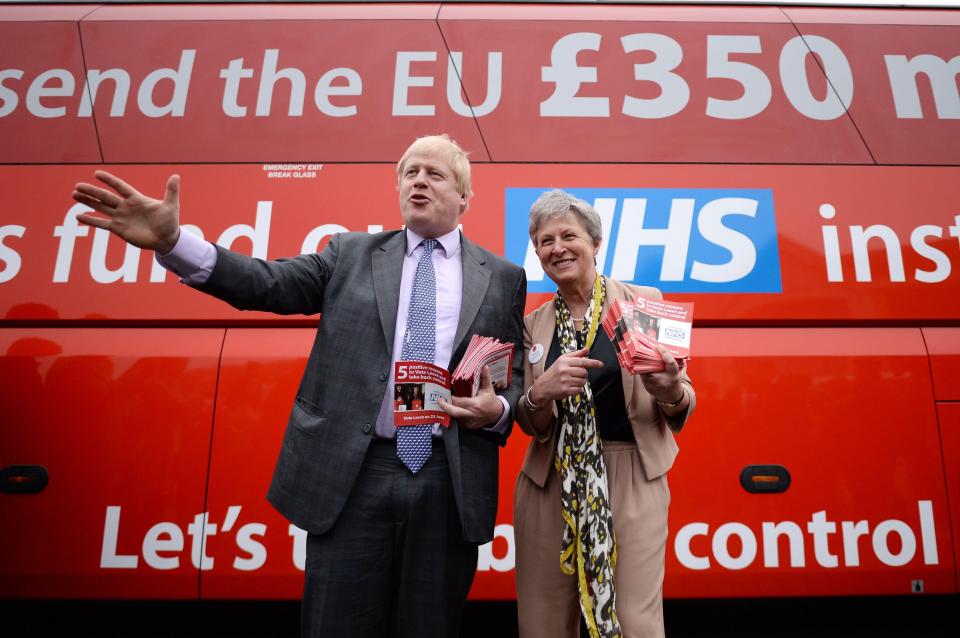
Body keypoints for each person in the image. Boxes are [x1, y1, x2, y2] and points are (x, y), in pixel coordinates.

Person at [71, 134, 526, 638]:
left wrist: (498, 411)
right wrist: (175, 244)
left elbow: (510, 373)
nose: (419, 180)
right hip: (355, 475)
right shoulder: (349, 253)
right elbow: (269, 282)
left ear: (464, 197)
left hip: (446, 477)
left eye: (435, 174)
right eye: (410, 172)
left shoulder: (502, 277)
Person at [513, 190, 695, 638]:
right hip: (550, 482)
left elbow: (682, 401)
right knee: (544, 623)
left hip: (632, 473)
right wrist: (541, 393)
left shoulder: (644, 302)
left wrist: (669, 387)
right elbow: (529, 421)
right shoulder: (531, 325)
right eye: (544, 241)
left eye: (568, 235)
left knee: (634, 622)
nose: (557, 248)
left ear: (595, 243)